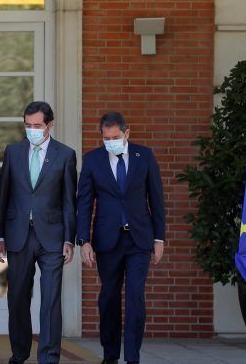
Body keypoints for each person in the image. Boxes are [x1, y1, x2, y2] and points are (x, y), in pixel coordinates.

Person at [76, 112, 165, 364]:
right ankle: (110, 355)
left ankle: (133, 357)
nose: (110, 142)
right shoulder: (93, 160)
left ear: (127, 133)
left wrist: (159, 239)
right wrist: (84, 240)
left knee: (135, 296)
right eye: (106, 138)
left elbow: (156, 199)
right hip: (107, 241)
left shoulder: (144, 156)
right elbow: (84, 203)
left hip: (139, 239)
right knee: (109, 297)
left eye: (115, 137)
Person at [0, 101, 77, 364]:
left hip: (52, 236)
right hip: (18, 235)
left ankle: (49, 357)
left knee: (51, 299)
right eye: (28, 125)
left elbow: (69, 200)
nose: (32, 130)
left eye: (37, 126)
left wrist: (69, 239)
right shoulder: (13, 151)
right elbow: (3, 195)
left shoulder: (65, 154)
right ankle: (19, 354)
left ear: (49, 125)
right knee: (17, 297)